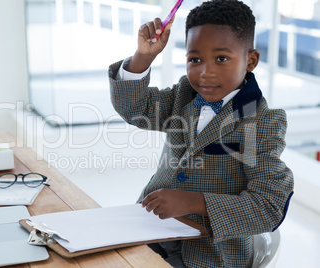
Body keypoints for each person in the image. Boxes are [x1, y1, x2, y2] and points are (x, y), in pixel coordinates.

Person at [108, 0, 294, 267]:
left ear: (250, 60)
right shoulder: (183, 95)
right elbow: (134, 108)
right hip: (148, 231)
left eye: (221, 58)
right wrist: (144, 56)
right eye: (195, 59)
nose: (205, 72)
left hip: (209, 253)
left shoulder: (264, 122)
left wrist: (195, 202)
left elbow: (268, 206)